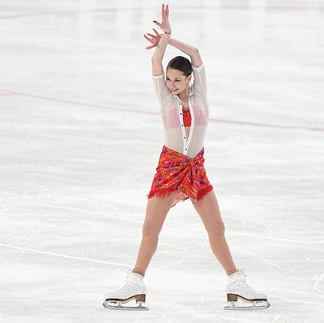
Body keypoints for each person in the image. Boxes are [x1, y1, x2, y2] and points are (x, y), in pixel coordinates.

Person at [103, 4, 269, 311]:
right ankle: (134, 284)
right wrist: (163, 41)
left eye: (177, 80)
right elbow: (155, 60)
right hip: (169, 169)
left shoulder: (200, 92)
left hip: (195, 169)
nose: (171, 84)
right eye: (168, 79)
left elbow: (194, 51)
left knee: (216, 227)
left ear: (190, 79)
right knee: (150, 229)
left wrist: (171, 37)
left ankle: (236, 283)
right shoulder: (164, 97)